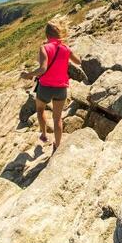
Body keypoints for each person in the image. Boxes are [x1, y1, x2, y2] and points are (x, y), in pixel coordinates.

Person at [21, 21, 81, 152]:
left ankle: (43, 134)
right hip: (61, 88)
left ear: (47, 34)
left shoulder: (44, 48)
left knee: (40, 109)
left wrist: (29, 74)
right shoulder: (65, 48)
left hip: (45, 87)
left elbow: (42, 69)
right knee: (57, 118)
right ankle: (57, 145)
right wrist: (68, 50)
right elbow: (78, 61)